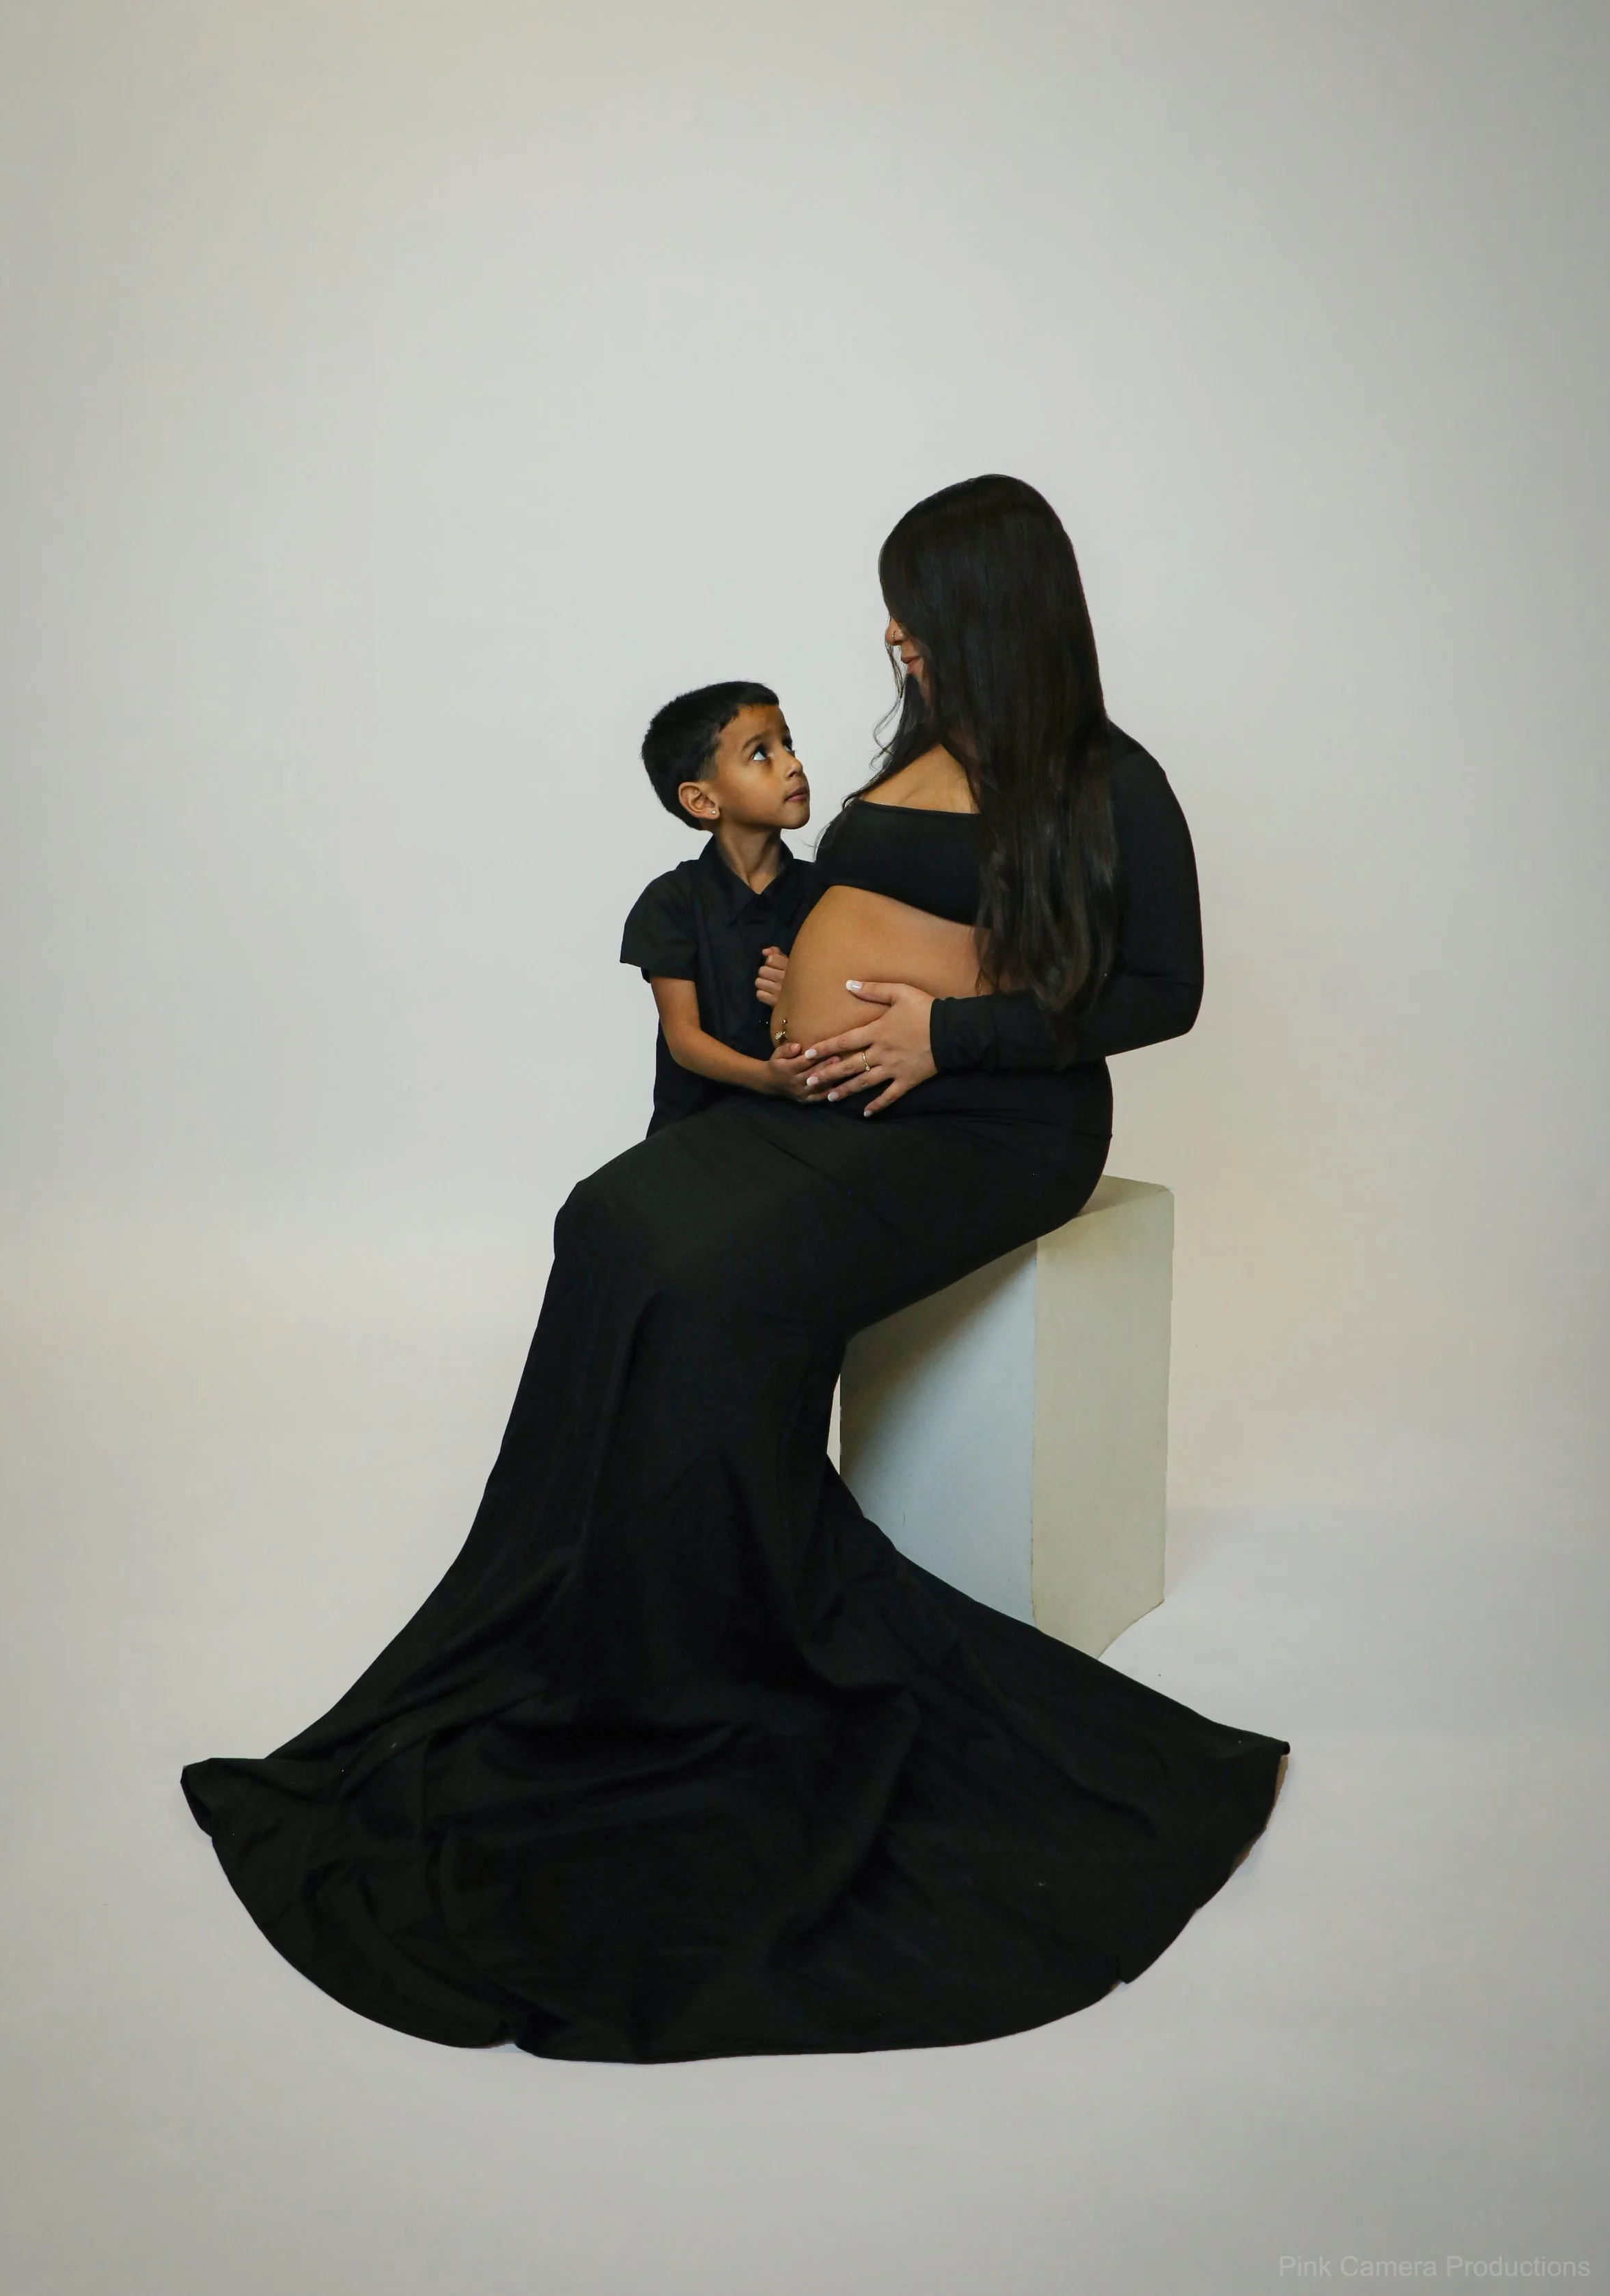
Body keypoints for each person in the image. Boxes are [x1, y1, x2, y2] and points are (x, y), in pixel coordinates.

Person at [183, 475, 1288, 2065]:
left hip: (997, 1127)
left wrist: (946, 1034)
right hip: (841, 1102)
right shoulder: (913, 746)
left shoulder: (1115, 783)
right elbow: (868, 913)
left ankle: (727, 1648)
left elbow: (1160, 992)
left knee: (712, 1286)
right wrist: (797, 981)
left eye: (917, 610)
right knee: (612, 1221)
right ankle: (588, 1613)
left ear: (992, 611)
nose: (894, 635)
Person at [620, 681, 816, 1134]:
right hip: (696, 1132)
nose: (794, 764)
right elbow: (685, 1041)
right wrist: (767, 1078)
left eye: (788, 745)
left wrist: (808, 992)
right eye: (761, 754)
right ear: (702, 800)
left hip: (808, 1129)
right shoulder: (671, 902)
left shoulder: (830, 892)